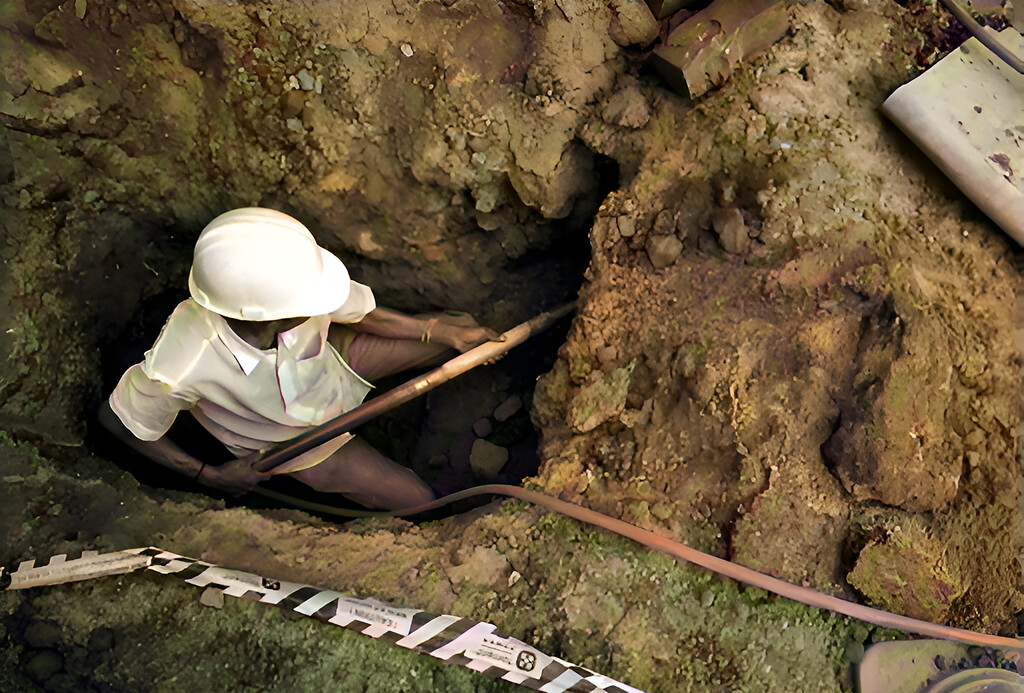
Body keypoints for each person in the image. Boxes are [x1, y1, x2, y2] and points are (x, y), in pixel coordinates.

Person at [99, 207, 500, 509]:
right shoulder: (186, 357)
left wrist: (439, 331)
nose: (322, 299)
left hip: (332, 366)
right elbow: (118, 421)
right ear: (263, 313)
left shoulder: (293, 276)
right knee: (416, 499)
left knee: (457, 328)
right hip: (290, 441)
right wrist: (208, 474)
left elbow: (362, 313)